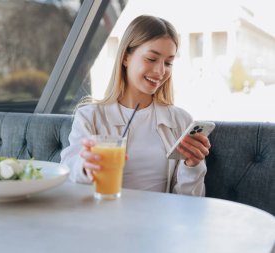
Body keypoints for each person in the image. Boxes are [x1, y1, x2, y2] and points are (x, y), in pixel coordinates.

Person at [60, 15, 211, 196]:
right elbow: (70, 165)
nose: (161, 71)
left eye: (168, 62)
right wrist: (85, 167)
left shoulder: (180, 120)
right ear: (125, 57)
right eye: (151, 59)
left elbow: (190, 201)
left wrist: (192, 167)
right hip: (106, 219)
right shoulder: (89, 116)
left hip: (160, 221)